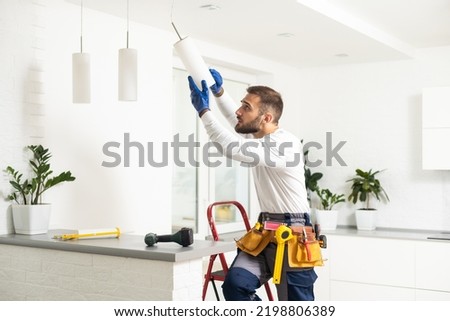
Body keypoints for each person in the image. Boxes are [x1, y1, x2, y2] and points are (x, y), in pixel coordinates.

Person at [187, 69, 317, 301]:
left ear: (266, 118)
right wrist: (219, 92)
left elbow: (231, 146)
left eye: (246, 106)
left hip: (293, 234)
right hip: (265, 231)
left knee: (297, 307)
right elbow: (236, 121)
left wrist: (204, 111)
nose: (239, 111)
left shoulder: (282, 144)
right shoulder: (260, 137)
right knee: (235, 286)